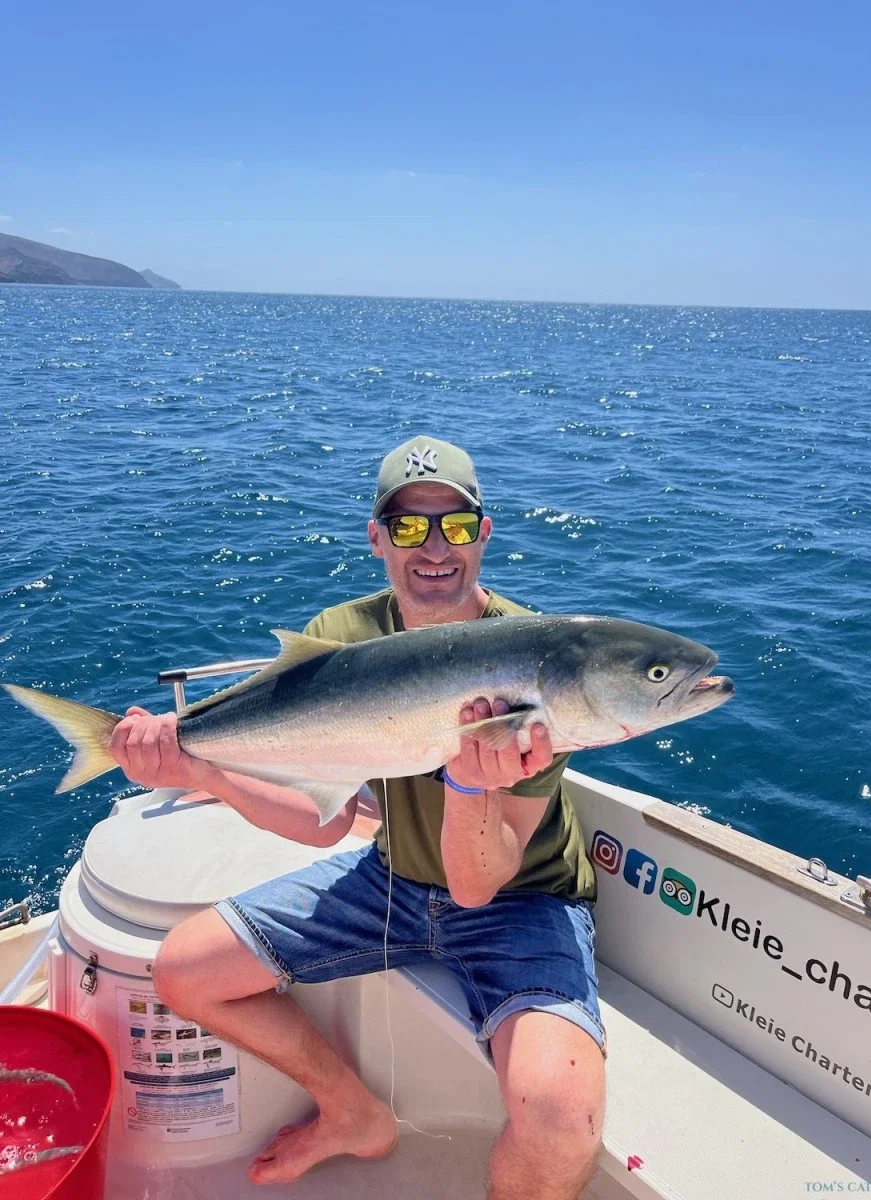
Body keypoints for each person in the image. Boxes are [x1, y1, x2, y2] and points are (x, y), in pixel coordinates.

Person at [108, 435, 606, 1200]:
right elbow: (323, 822)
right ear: (377, 538)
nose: (434, 547)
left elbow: (479, 885)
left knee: (560, 1121)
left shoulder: (536, 662)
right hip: (391, 878)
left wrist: (469, 787)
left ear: (484, 534)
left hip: (521, 901)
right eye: (408, 526)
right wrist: (198, 765)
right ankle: (352, 1113)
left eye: (455, 525)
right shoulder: (343, 636)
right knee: (181, 972)